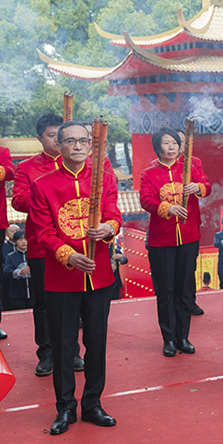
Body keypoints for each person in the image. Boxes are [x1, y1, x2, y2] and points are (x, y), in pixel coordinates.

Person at [30, 121, 122, 435]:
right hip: (61, 279)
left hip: (98, 277)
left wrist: (109, 228)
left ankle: (93, 403)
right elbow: (43, 233)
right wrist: (68, 256)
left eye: (84, 140)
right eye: (71, 141)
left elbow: (114, 214)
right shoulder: (44, 185)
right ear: (60, 145)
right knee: (64, 345)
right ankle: (65, 407)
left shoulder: (106, 179)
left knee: (96, 343)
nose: (79, 146)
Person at [12, 113, 83, 376]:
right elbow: (18, 201)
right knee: (44, 303)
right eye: (51, 136)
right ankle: (47, 353)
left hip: (73, 246)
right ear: (40, 138)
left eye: (59, 135)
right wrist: (47, 194)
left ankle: (72, 351)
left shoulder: (76, 167)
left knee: (72, 302)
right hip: (41, 246)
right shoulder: (28, 168)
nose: (56, 140)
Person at [140, 127, 211, 357]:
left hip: (188, 236)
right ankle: (168, 338)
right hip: (162, 239)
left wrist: (197, 187)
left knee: (183, 288)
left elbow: (207, 186)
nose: (171, 147)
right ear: (157, 146)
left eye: (174, 143)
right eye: (166, 143)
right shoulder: (148, 174)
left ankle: (183, 337)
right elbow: (146, 200)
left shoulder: (190, 168)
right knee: (166, 290)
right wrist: (167, 208)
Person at [175, 130, 207, 315]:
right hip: (168, 227)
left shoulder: (194, 162)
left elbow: (205, 184)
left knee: (189, 266)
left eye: (181, 141)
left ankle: (189, 302)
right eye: (173, 141)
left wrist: (198, 187)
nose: (177, 145)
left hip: (190, 223)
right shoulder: (156, 166)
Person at [4, 230, 33, 311]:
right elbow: (6, 271)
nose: (23, 242)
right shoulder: (11, 256)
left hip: (34, 292)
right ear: (16, 241)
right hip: (17, 293)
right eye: (20, 240)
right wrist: (19, 272)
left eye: (25, 239)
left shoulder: (33, 255)